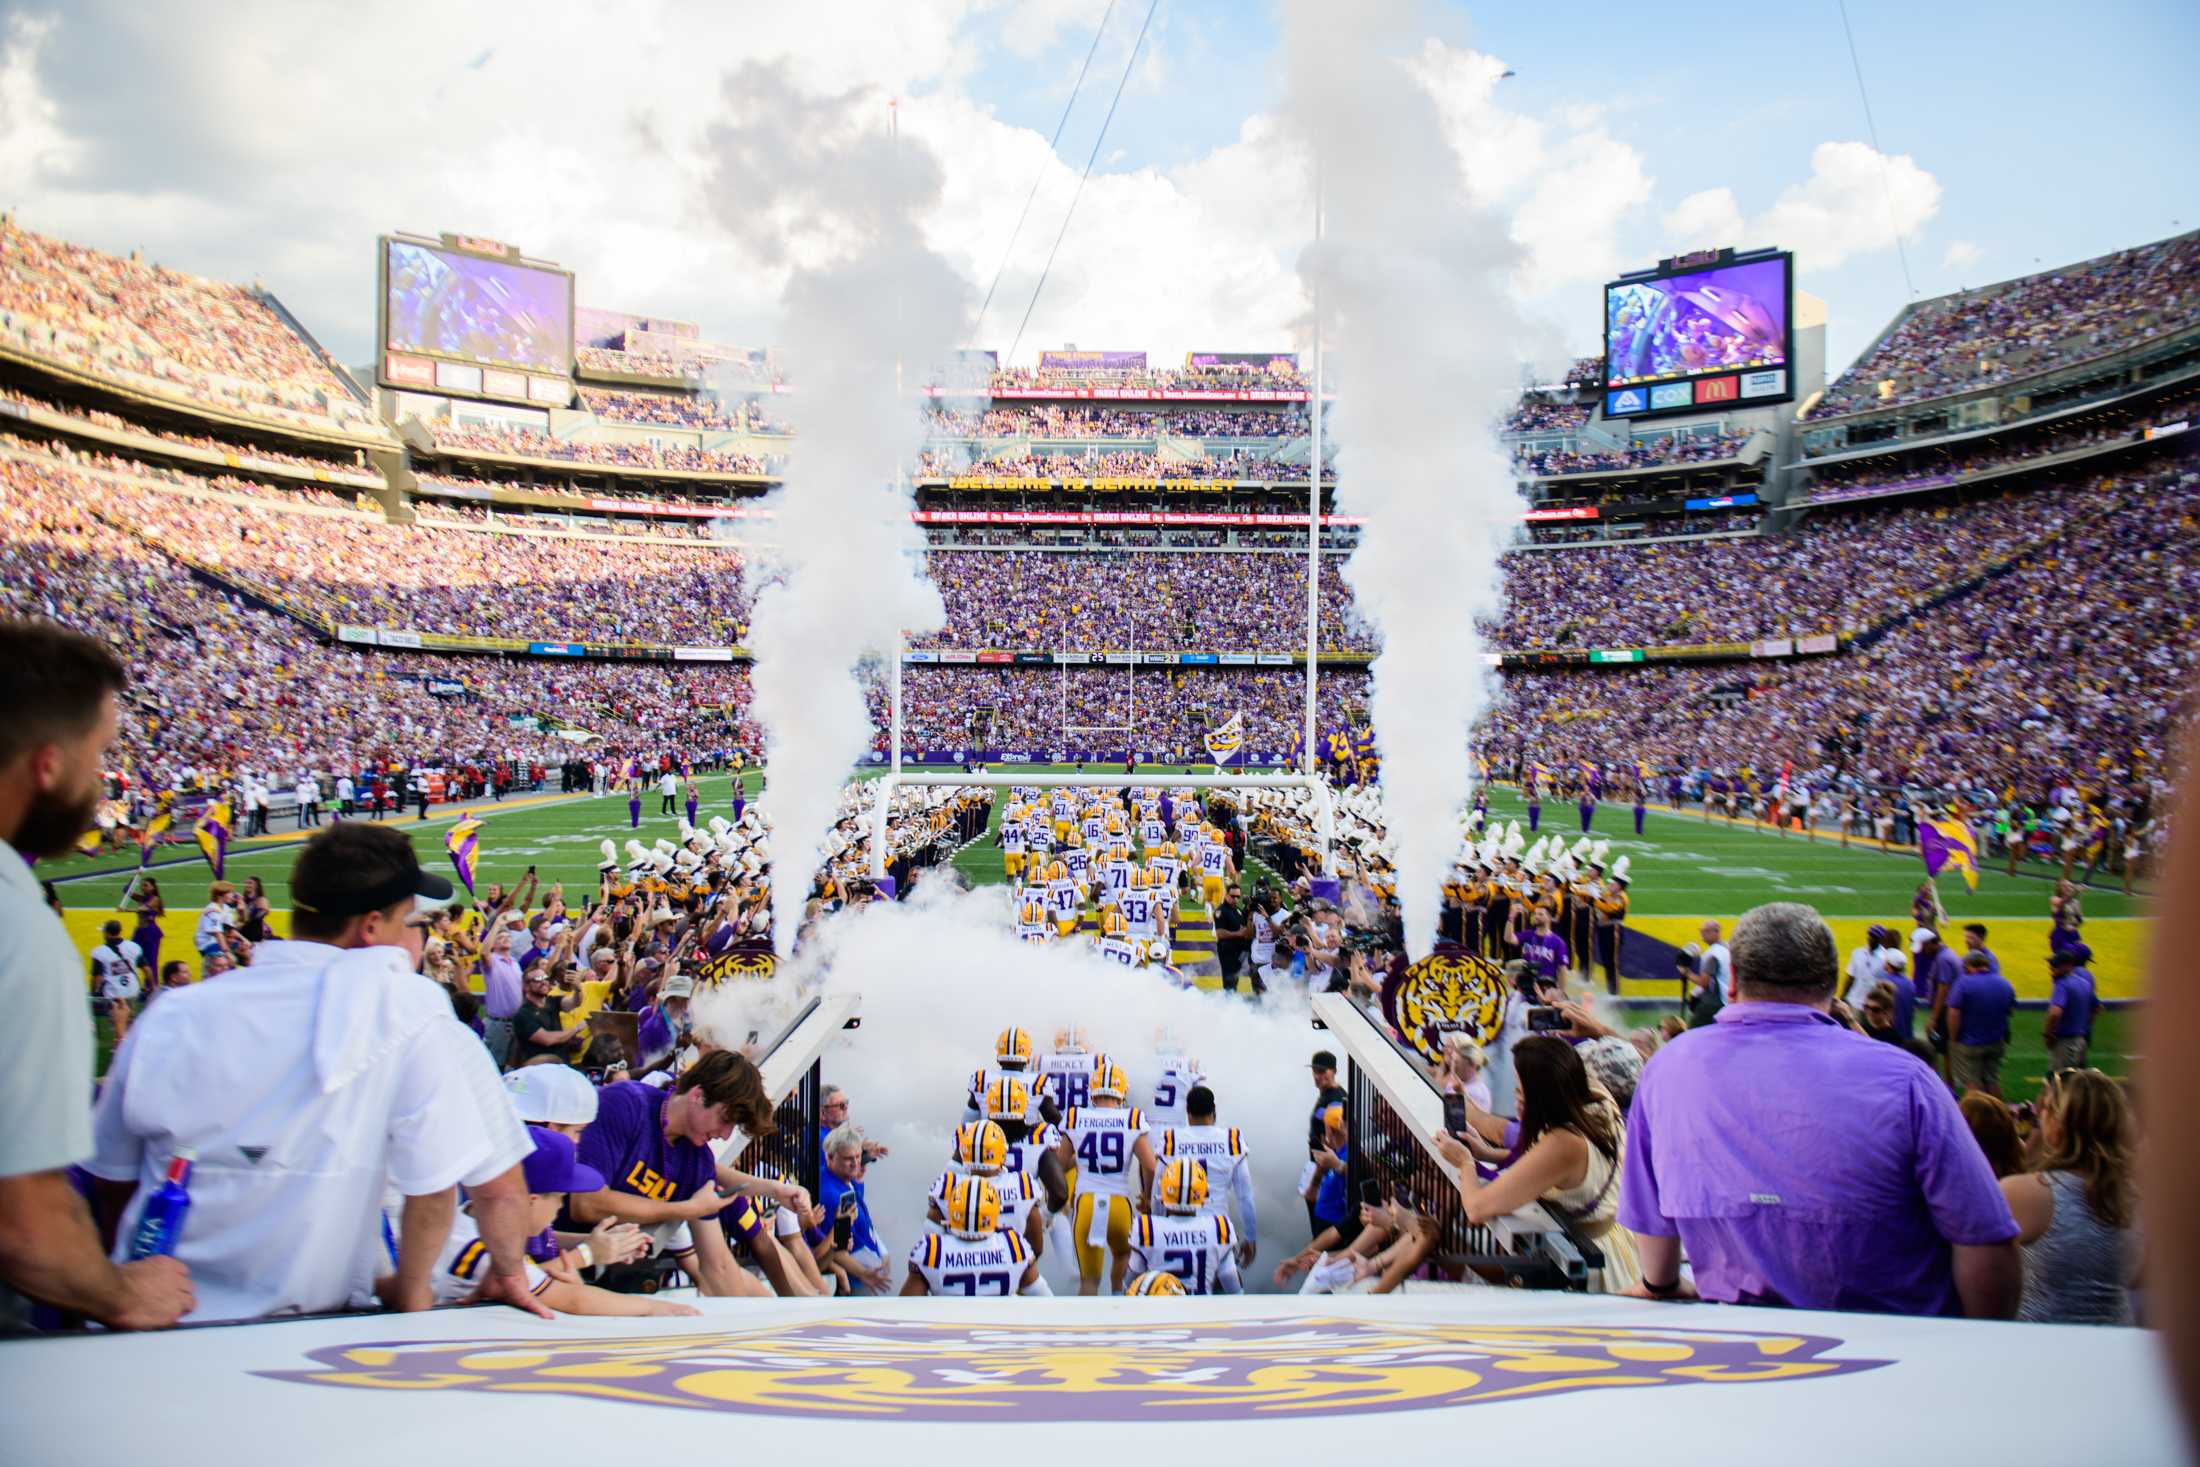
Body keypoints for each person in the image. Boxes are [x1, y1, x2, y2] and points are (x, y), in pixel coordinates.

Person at [87, 820, 548, 1323]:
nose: (423, 941)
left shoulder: (174, 1011)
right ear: (371, 927)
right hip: (300, 1327)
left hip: (147, 1320)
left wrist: (120, 1294)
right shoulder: (411, 1009)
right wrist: (424, 1296)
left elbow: (113, 1180)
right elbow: (468, 1188)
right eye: (416, 925)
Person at [1619, 901, 2021, 1317]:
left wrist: (1661, 1284)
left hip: (1739, 1351)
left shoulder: (1667, 1067)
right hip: (1893, 1352)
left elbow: (1655, 1238)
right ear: (1831, 983)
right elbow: (1984, 1239)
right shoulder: (1904, 1079)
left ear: (1733, 979)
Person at [0, 619, 194, 1332]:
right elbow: (24, 1218)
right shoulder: (17, 927)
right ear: (47, 764)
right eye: (100, 752)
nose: (100, 778)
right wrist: (119, 1293)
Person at [566, 1052, 782, 1297]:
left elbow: (718, 1265)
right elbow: (585, 1203)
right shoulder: (625, 1103)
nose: (724, 1135)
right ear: (698, 1096)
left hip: (612, 1281)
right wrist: (686, 1209)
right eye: (725, 1120)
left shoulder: (698, 1160)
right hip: (552, 1265)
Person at [1437, 1034, 1641, 1290]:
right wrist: (1487, 1154)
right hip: (1615, 1247)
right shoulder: (1599, 1101)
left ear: (1541, 1094)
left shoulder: (1565, 1144)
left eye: (1521, 1090)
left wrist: (1465, 1161)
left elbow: (1477, 1208)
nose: (1517, 1099)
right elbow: (1548, 1167)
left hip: (1588, 1267)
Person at [2002, 1068, 2140, 1324]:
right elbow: (2140, 1278)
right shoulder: (2140, 1197)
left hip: (2041, 1346)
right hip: (2119, 1343)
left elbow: (1988, 1275)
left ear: (2057, 1122)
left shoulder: (2024, 1193)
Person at [818, 1122, 890, 1294]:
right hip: (857, 1282)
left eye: (858, 1157)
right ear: (829, 1157)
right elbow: (838, 1247)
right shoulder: (831, 1195)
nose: (855, 1164)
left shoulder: (844, 1179)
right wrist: (863, 1273)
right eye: (848, 1159)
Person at [1945, 950, 2018, 1097]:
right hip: (1996, 1041)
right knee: (1992, 1080)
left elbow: (1954, 1013)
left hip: (1969, 1042)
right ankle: (1998, 1114)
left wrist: (1953, 1037)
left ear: (1968, 966)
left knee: (1972, 1083)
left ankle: (1975, 1118)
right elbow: (2010, 1011)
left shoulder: (1963, 983)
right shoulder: (2004, 983)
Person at [1303, 1050, 1347, 1234]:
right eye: (1315, 1071)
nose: (1318, 1076)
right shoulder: (1327, 1095)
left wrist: (1314, 1183)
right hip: (1321, 1169)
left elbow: (1330, 1146)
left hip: (1327, 1172)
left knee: (1323, 1226)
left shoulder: (1335, 1100)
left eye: (1323, 1071)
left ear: (1334, 1071)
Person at [2044, 946, 2098, 1069]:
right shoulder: (2084, 983)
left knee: (2059, 1082)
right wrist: (2085, 1025)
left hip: (2065, 1043)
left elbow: (2055, 1013)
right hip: (2081, 1041)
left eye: (2055, 966)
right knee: (2077, 1082)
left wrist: (2047, 1034)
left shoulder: (2062, 984)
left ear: (2067, 966)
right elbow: (2097, 1007)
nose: (2051, 969)